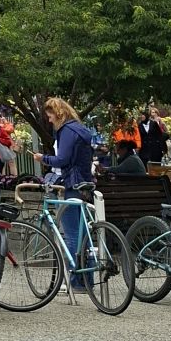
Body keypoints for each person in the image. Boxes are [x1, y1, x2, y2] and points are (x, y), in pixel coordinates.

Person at [40, 97, 95, 283]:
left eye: (50, 116)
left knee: (72, 233)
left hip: (72, 182)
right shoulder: (81, 129)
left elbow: (62, 159)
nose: (49, 120)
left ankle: (76, 280)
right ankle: (89, 277)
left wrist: (44, 159)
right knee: (85, 234)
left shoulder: (66, 131)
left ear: (58, 114)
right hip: (86, 181)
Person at [0, 112, 17, 179]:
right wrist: (5, 123)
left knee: (11, 162)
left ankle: (14, 176)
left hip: (8, 145)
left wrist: (5, 122)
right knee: (3, 162)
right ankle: (3, 177)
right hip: (0, 145)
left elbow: (10, 129)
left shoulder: (4, 125)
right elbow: (8, 129)